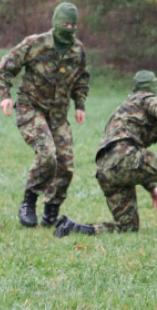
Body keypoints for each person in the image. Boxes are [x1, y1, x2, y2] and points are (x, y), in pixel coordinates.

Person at [0, 1, 90, 228]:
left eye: (73, 25)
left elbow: (82, 78)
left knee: (66, 165)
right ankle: (29, 200)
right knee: (48, 154)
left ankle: (51, 212)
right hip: (31, 108)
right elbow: (6, 67)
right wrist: (5, 95)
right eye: (65, 24)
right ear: (55, 22)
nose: (69, 29)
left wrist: (80, 104)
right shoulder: (35, 44)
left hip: (58, 115)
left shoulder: (77, 50)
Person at [54, 70, 157, 238]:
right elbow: (131, 159)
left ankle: (72, 227)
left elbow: (136, 166)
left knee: (128, 228)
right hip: (125, 157)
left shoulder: (125, 107)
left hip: (105, 169)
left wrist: (152, 188)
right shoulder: (147, 98)